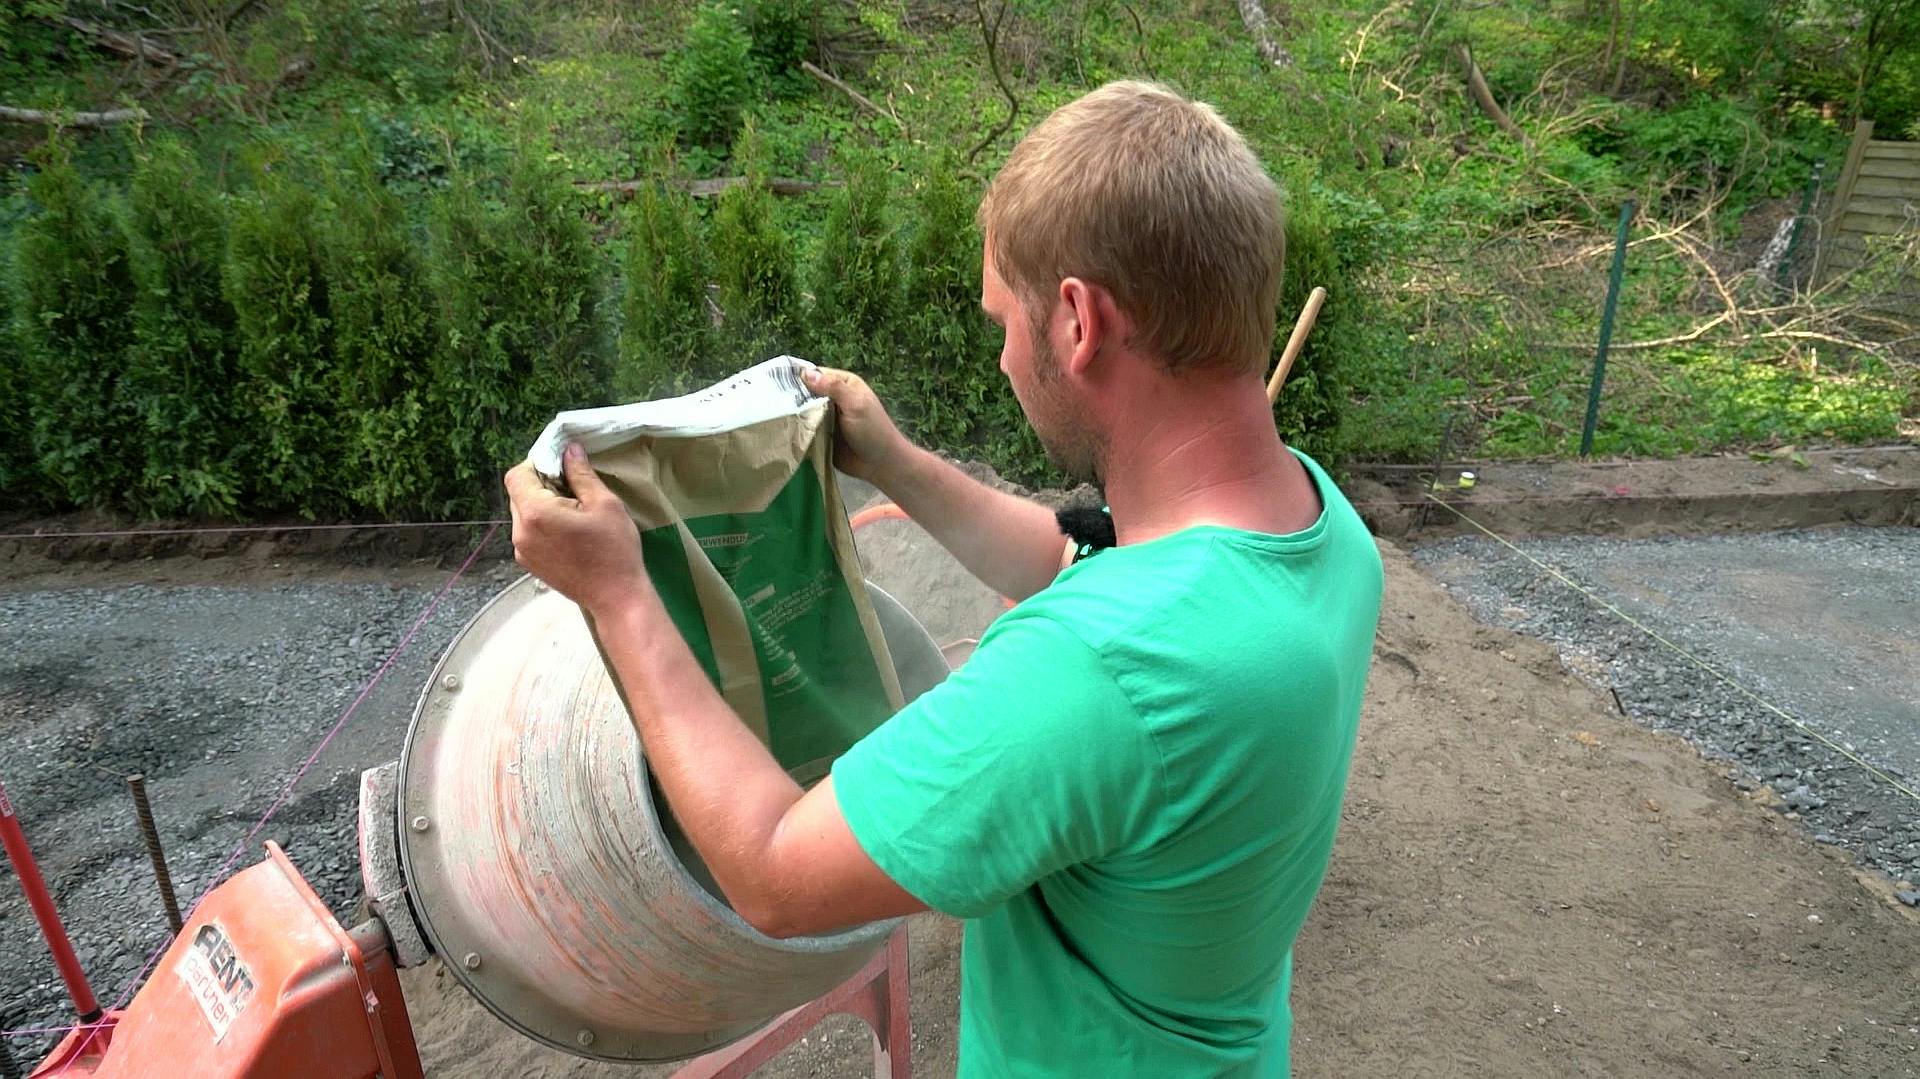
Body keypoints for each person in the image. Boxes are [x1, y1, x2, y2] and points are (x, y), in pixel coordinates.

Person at [504, 80, 1384, 1077]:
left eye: (1002, 319)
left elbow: (775, 871)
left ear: (1078, 321)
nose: (1006, 357)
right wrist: (896, 461)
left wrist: (619, 594)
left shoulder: (1095, 667)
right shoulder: (1320, 531)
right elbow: (1081, 558)